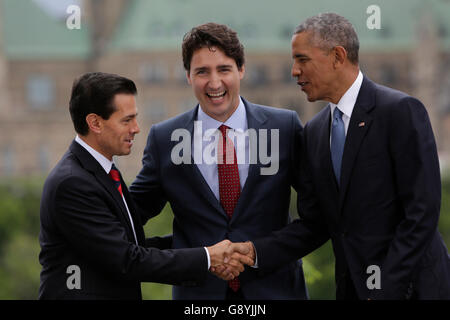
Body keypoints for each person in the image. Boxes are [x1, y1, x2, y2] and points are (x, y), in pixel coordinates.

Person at [233, 13, 450, 300]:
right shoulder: (313, 132)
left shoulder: (400, 112)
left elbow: (421, 213)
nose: (294, 71)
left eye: (302, 59)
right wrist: (253, 252)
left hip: (414, 289)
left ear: (337, 56)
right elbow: (316, 224)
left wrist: (385, 289)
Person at [130, 23, 308, 300]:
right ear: (188, 76)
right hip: (200, 298)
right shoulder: (165, 139)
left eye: (224, 69)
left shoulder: (284, 127)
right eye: (202, 72)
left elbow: (315, 218)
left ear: (241, 70)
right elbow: (130, 214)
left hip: (276, 290)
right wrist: (189, 254)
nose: (214, 83)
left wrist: (257, 253)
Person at [38, 72, 252, 300]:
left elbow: (129, 244)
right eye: (126, 120)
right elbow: (127, 260)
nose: (136, 128)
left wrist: (206, 241)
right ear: (95, 123)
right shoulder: (73, 184)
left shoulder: (102, 171)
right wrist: (208, 257)